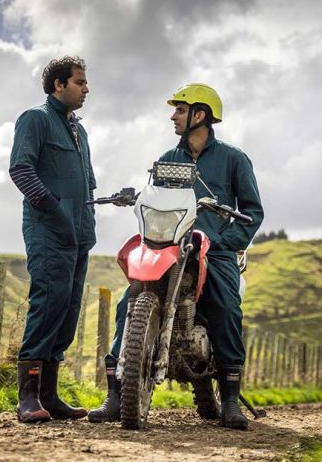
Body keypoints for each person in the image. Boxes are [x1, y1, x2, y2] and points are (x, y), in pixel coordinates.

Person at [88, 83, 263, 430]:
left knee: (226, 306)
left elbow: (253, 211)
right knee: (129, 301)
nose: (173, 116)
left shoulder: (234, 158)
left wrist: (226, 241)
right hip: (167, 246)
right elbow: (155, 198)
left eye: (180, 110)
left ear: (200, 115)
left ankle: (229, 399)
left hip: (214, 251)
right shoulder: (168, 159)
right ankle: (116, 392)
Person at [9, 56, 96, 423]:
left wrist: (87, 220)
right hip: (48, 231)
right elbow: (21, 170)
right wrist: (53, 208)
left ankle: (49, 395)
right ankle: (27, 397)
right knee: (49, 303)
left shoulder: (80, 130)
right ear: (58, 85)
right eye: (79, 82)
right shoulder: (36, 119)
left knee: (69, 309)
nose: (86, 88)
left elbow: (88, 181)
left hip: (80, 235)